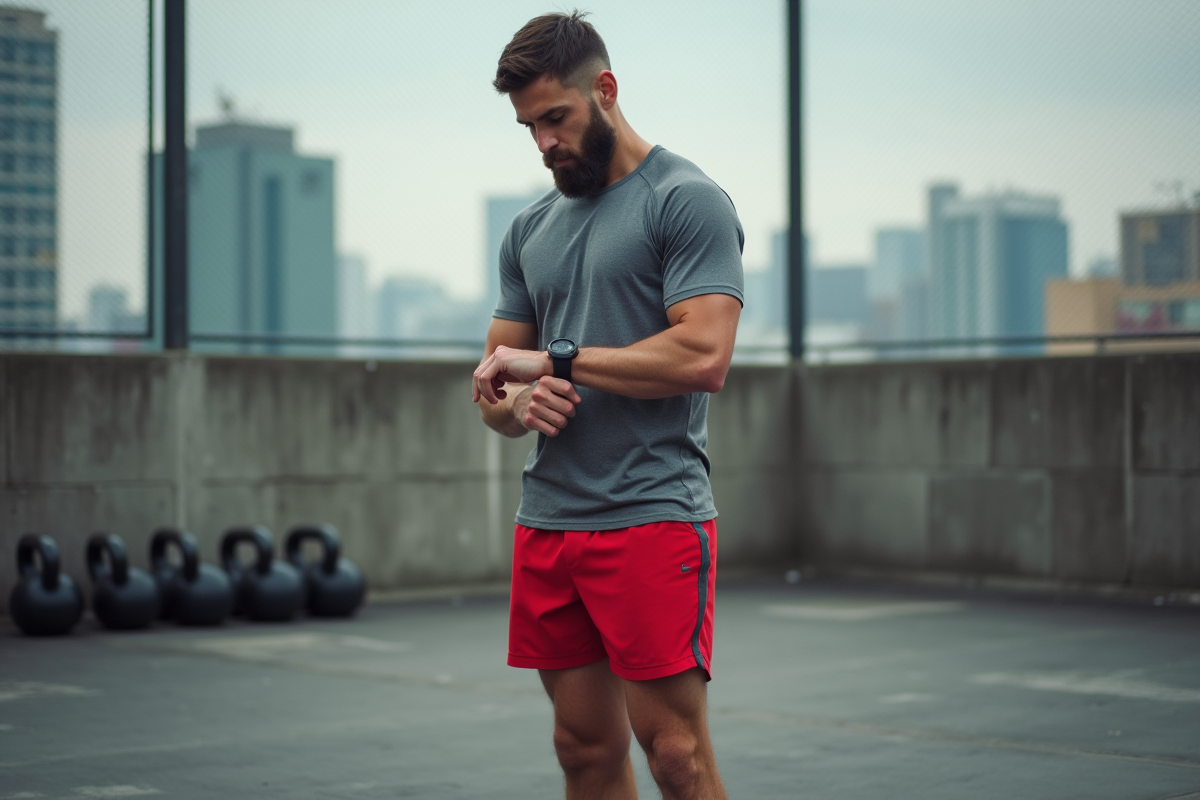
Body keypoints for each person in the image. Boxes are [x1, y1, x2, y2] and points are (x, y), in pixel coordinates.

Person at [472, 11, 743, 800]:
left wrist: (556, 359)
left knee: (675, 754)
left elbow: (704, 355)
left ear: (606, 89)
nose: (544, 143)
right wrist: (518, 403)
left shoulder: (686, 200)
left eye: (555, 118)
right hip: (551, 521)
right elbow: (491, 386)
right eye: (529, 127)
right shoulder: (528, 229)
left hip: (652, 513)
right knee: (582, 750)